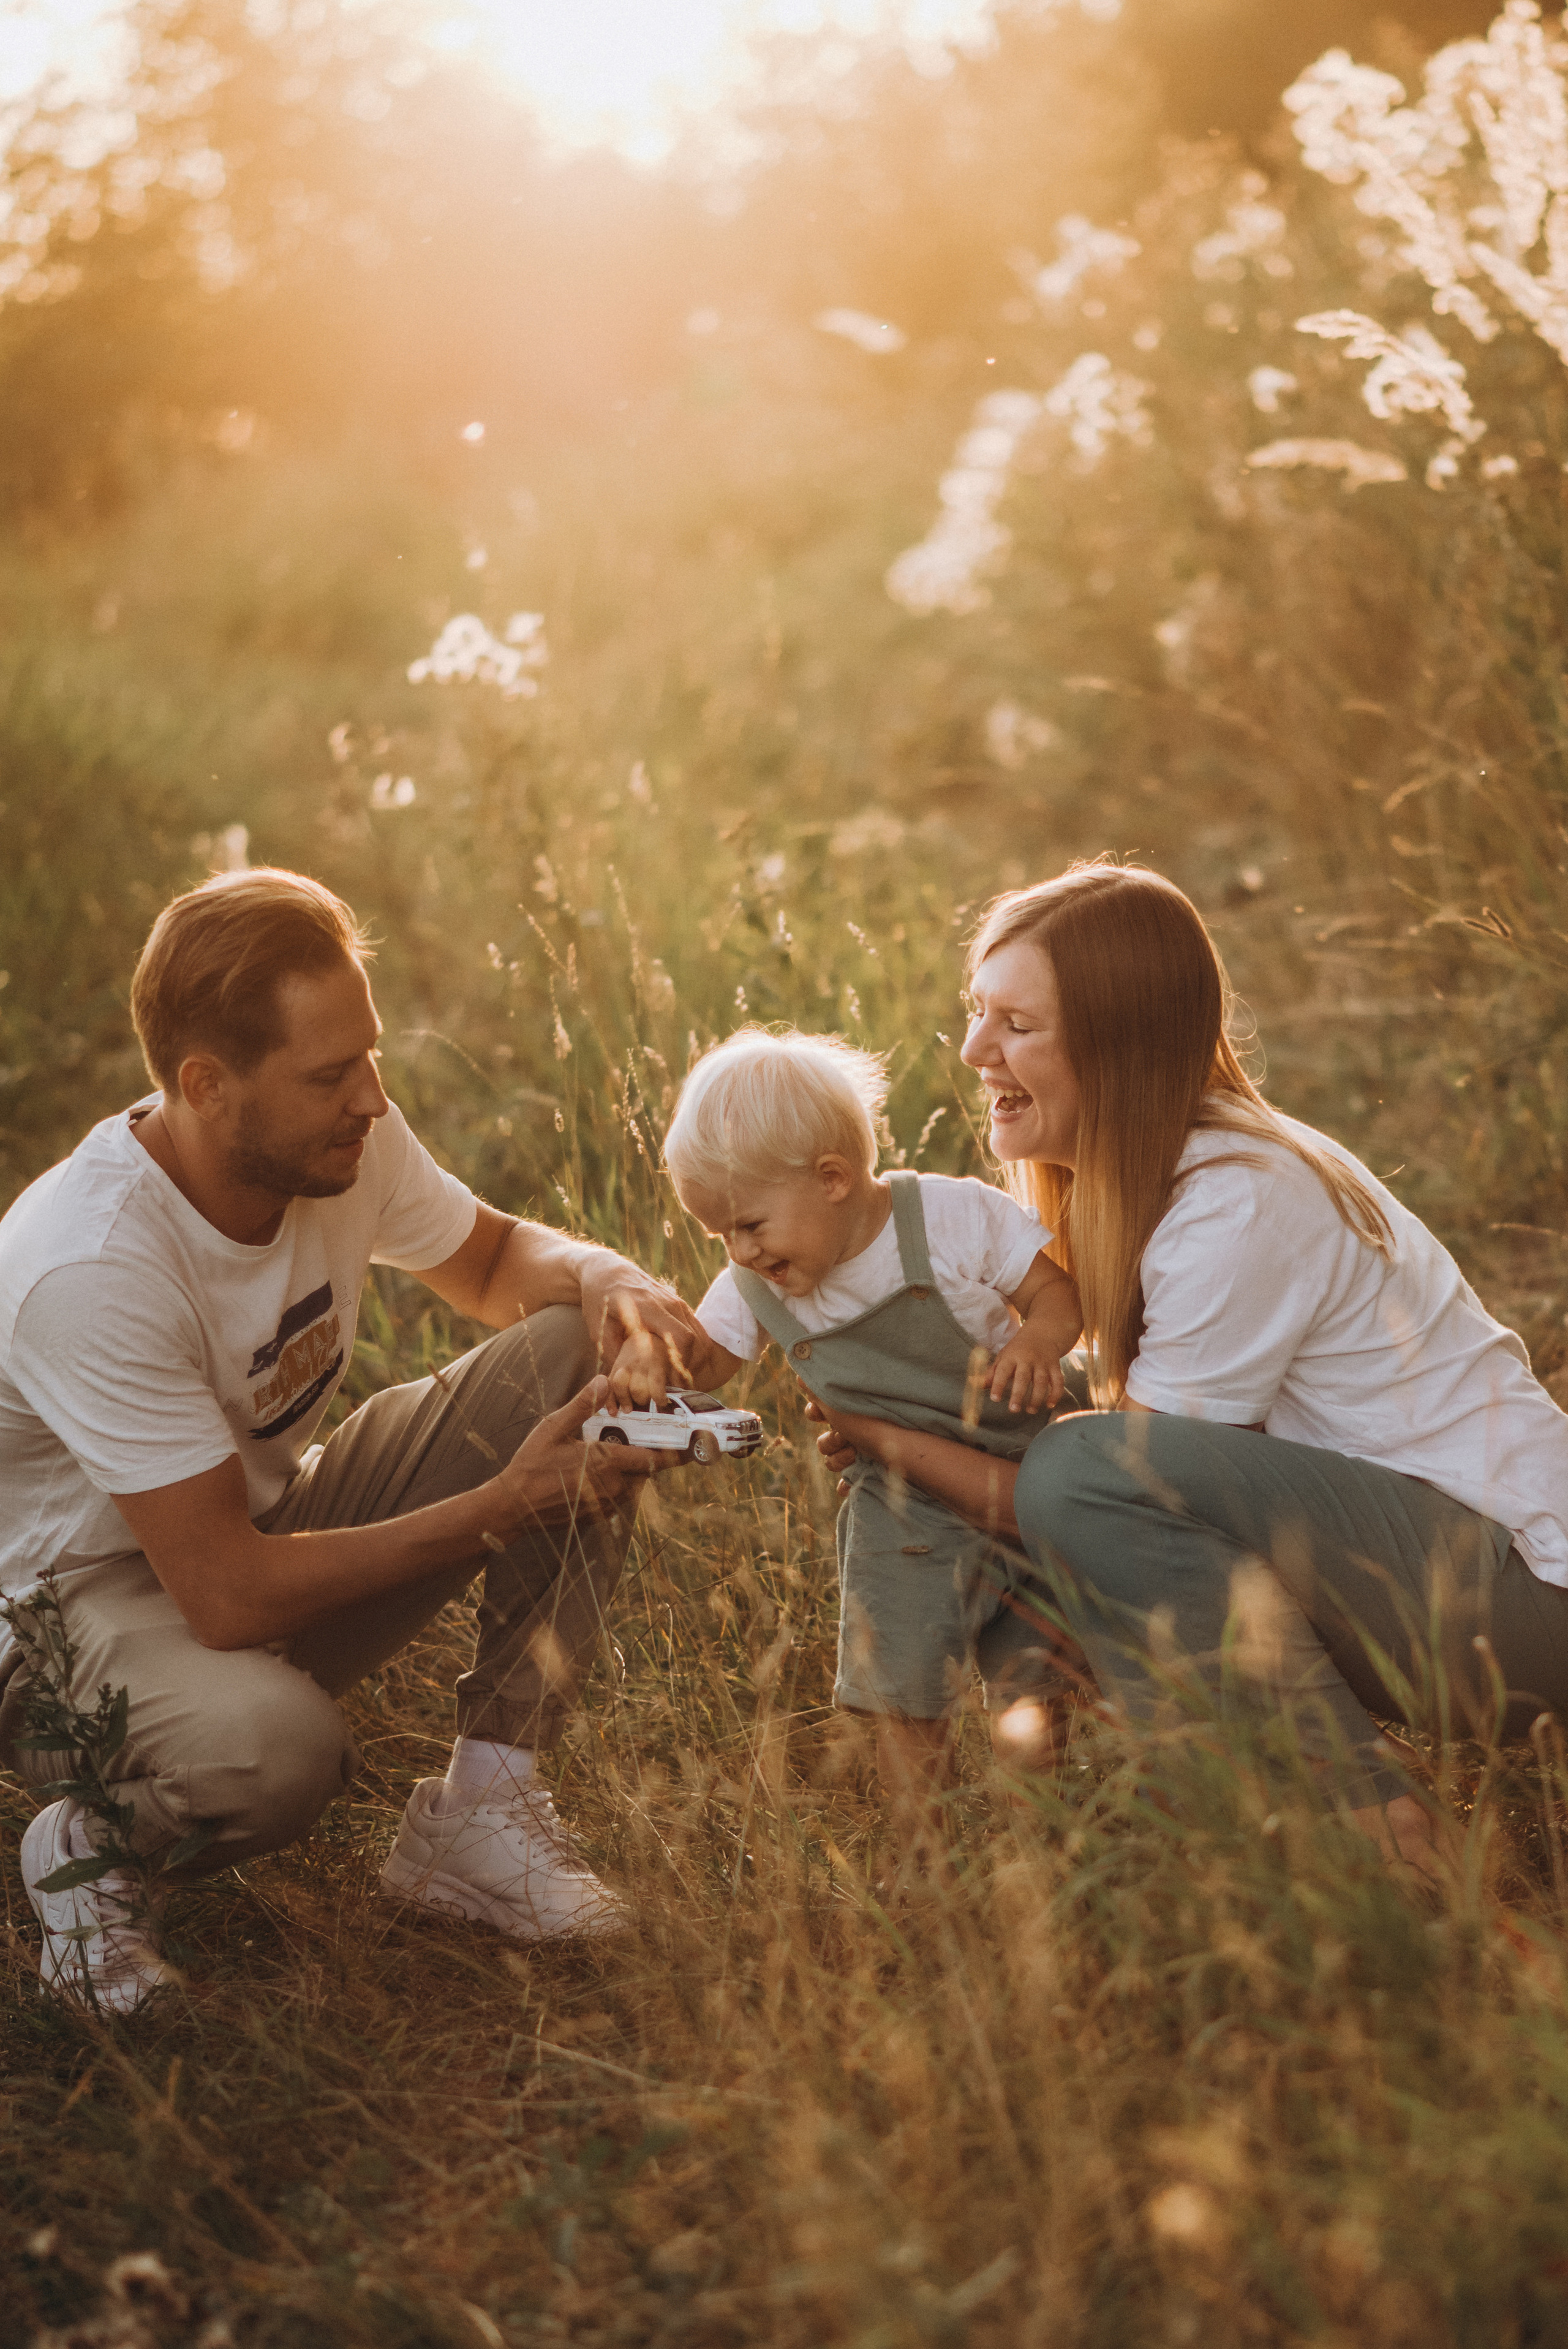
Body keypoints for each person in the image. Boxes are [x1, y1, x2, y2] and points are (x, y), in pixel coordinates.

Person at [0, 866, 696, 2013]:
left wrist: (610, 1280)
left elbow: (488, 1264)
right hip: (70, 1623)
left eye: (369, 1056)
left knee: (571, 1351)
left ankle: (481, 1812)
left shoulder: (335, 1136)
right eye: (333, 1074)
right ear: (206, 1086)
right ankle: (92, 1844)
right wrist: (495, 1507)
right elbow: (224, 1596)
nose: (372, 1097)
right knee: (281, 1754)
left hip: (254, 1529)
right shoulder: (92, 1266)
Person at [807, 861, 1568, 1873]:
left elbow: (1113, 1490)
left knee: (1083, 1472)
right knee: (1025, 1418)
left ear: (1121, 1046)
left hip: (1528, 1607)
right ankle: (1240, 1795)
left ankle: (1378, 1826)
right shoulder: (1172, 1180)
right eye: (976, 1011)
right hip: (1451, 1570)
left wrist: (887, 1438)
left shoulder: (1235, 1203)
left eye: (1018, 1025)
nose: (974, 1049)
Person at [606, 1026, 1084, 1850]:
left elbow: (1057, 1295)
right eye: (721, 1234)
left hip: (1025, 1458)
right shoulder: (756, 1279)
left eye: (750, 1224)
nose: (741, 1252)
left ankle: (1037, 1832)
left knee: (1032, 1663)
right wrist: (652, 1357)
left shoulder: (951, 1217)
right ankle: (921, 1848)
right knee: (898, 1677)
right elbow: (708, 1359)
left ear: (833, 1178)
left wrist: (1036, 1345)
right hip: (899, 1503)